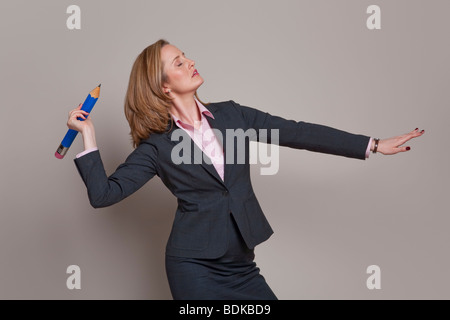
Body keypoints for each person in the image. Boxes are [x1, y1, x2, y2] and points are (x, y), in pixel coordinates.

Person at [68, 39, 425, 300]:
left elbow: (297, 131)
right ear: (164, 86)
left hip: (241, 265)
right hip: (194, 267)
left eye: (185, 55)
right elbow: (104, 195)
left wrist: (373, 144)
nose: (191, 61)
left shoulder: (232, 115)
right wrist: (88, 134)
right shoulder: (157, 147)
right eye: (178, 62)